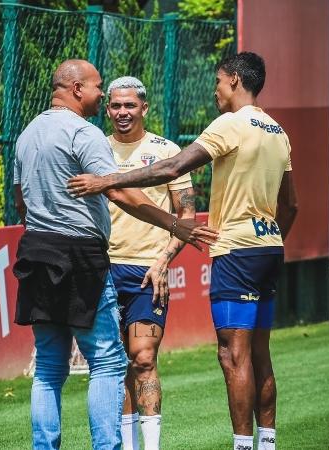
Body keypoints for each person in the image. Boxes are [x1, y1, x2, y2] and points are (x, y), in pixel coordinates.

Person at [68, 52, 298, 450]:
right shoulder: (278, 130)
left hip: (237, 251)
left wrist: (108, 179)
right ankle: (266, 443)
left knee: (232, 355)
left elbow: (172, 168)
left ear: (236, 82)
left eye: (219, 81)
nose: (215, 90)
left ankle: (243, 446)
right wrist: (271, 238)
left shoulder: (230, 123)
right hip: (268, 247)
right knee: (260, 353)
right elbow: (290, 205)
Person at [13, 59, 218, 450]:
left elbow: (20, 201)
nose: (101, 95)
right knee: (108, 363)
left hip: (36, 250)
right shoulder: (85, 134)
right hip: (81, 255)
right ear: (76, 89)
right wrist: (175, 224)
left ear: (143, 108)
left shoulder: (27, 134)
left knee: (49, 369)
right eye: (97, 88)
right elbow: (120, 192)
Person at [105, 76, 197, 450]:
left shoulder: (166, 150)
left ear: (144, 108)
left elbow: (187, 216)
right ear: (107, 109)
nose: (122, 112)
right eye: (115, 105)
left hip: (148, 271)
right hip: (103, 269)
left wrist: (163, 260)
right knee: (114, 365)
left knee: (143, 358)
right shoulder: (93, 148)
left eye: (130, 105)